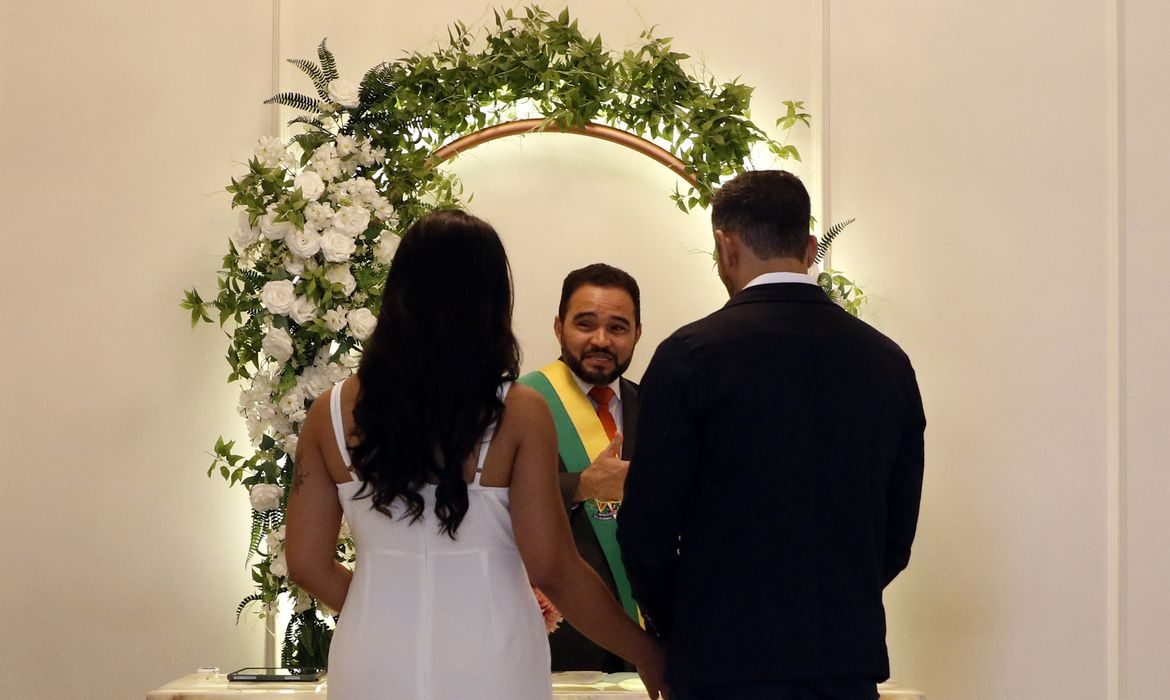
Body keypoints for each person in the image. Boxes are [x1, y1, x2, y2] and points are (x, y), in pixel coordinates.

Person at [284, 210, 666, 700]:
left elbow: (307, 564)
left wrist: (381, 605)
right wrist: (645, 650)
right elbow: (554, 566)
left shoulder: (329, 412)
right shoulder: (521, 411)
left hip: (371, 655)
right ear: (492, 301)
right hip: (492, 654)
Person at [617, 171, 925, 700]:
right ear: (809, 247)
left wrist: (687, 624)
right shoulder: (888, 362)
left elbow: (646, 533)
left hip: (721, 664)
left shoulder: (689, 357)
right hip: (844, 662)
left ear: (725, 245)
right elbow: (895, 535)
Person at [518, 263, 644, 672]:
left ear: (637, 334)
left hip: (644, 638)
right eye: (585, 324)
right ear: (558, 327)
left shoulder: (657, 407)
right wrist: (581, 486)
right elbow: (489, 500)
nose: (601, 340)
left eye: (618, 328)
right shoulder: (518, 405)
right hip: (558, 641)